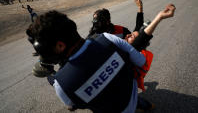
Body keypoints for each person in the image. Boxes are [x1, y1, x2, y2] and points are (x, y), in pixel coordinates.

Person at [26, 10, 154, 113]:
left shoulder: (61, 84)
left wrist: (53, 76)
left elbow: (72, 106)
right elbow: (142, 61)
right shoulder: (109, 39)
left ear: (60, 46)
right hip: (130, 97)